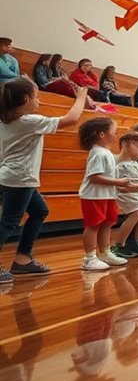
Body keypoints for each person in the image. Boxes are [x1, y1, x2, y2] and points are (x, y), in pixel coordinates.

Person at [0, 81, 87, 282]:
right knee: (9, 222)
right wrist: (81, 97)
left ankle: (22, 259)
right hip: (19, 179)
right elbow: (72, 119)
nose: (39, 101)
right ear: (25, 100)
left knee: (39, 211)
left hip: (12, 177)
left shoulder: (5, 122)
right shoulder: (29, 121)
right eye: (36, 97)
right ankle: (22, 258)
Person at [77, 117, 138, 271]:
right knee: (93, 226)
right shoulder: (98, 153)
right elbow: (94, 177)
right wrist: (120, 183)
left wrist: (135, 186)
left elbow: (115, 181)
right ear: (102, 134)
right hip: (94, 196)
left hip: (107, 195)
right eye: (114, 130)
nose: (116, 133)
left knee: (107, 223)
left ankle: (105, 253)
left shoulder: (107, 153)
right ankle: (89, 258)